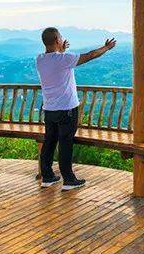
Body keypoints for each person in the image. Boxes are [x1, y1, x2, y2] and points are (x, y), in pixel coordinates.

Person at [35, 28, 116, 190]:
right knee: (65, 143)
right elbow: (90, 55)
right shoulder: (64, 59)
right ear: (57, 40)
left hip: (49, 109)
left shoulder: (40, 59)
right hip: (66, 108)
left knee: (49, 142)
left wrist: (61, 50)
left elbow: (56, 61)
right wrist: (106, 48)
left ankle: (47, 177)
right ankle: (69, 180)